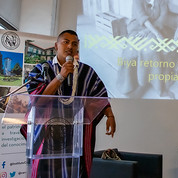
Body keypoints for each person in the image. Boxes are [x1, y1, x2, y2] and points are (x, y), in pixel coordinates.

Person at [20, 30, 116, 178]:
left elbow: (100, 96)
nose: (70, 46)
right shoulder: (41, 69)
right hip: (47, 138)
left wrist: (109, 114)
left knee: (76, 172)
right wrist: (61, 75)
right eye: (66, 42)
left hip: (76, 140)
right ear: (56, 46)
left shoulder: (87, 72)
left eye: (74, 43)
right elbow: (38, 100)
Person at [118, 0, 175, 98]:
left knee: (149, 49)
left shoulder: (161, 1)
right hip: (138, 30)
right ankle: (129, 85)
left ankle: (150, 85)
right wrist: (146, 30)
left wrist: (151, 32)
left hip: (155, 31)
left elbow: (162, 20)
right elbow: (141, 16)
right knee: (130, 51)